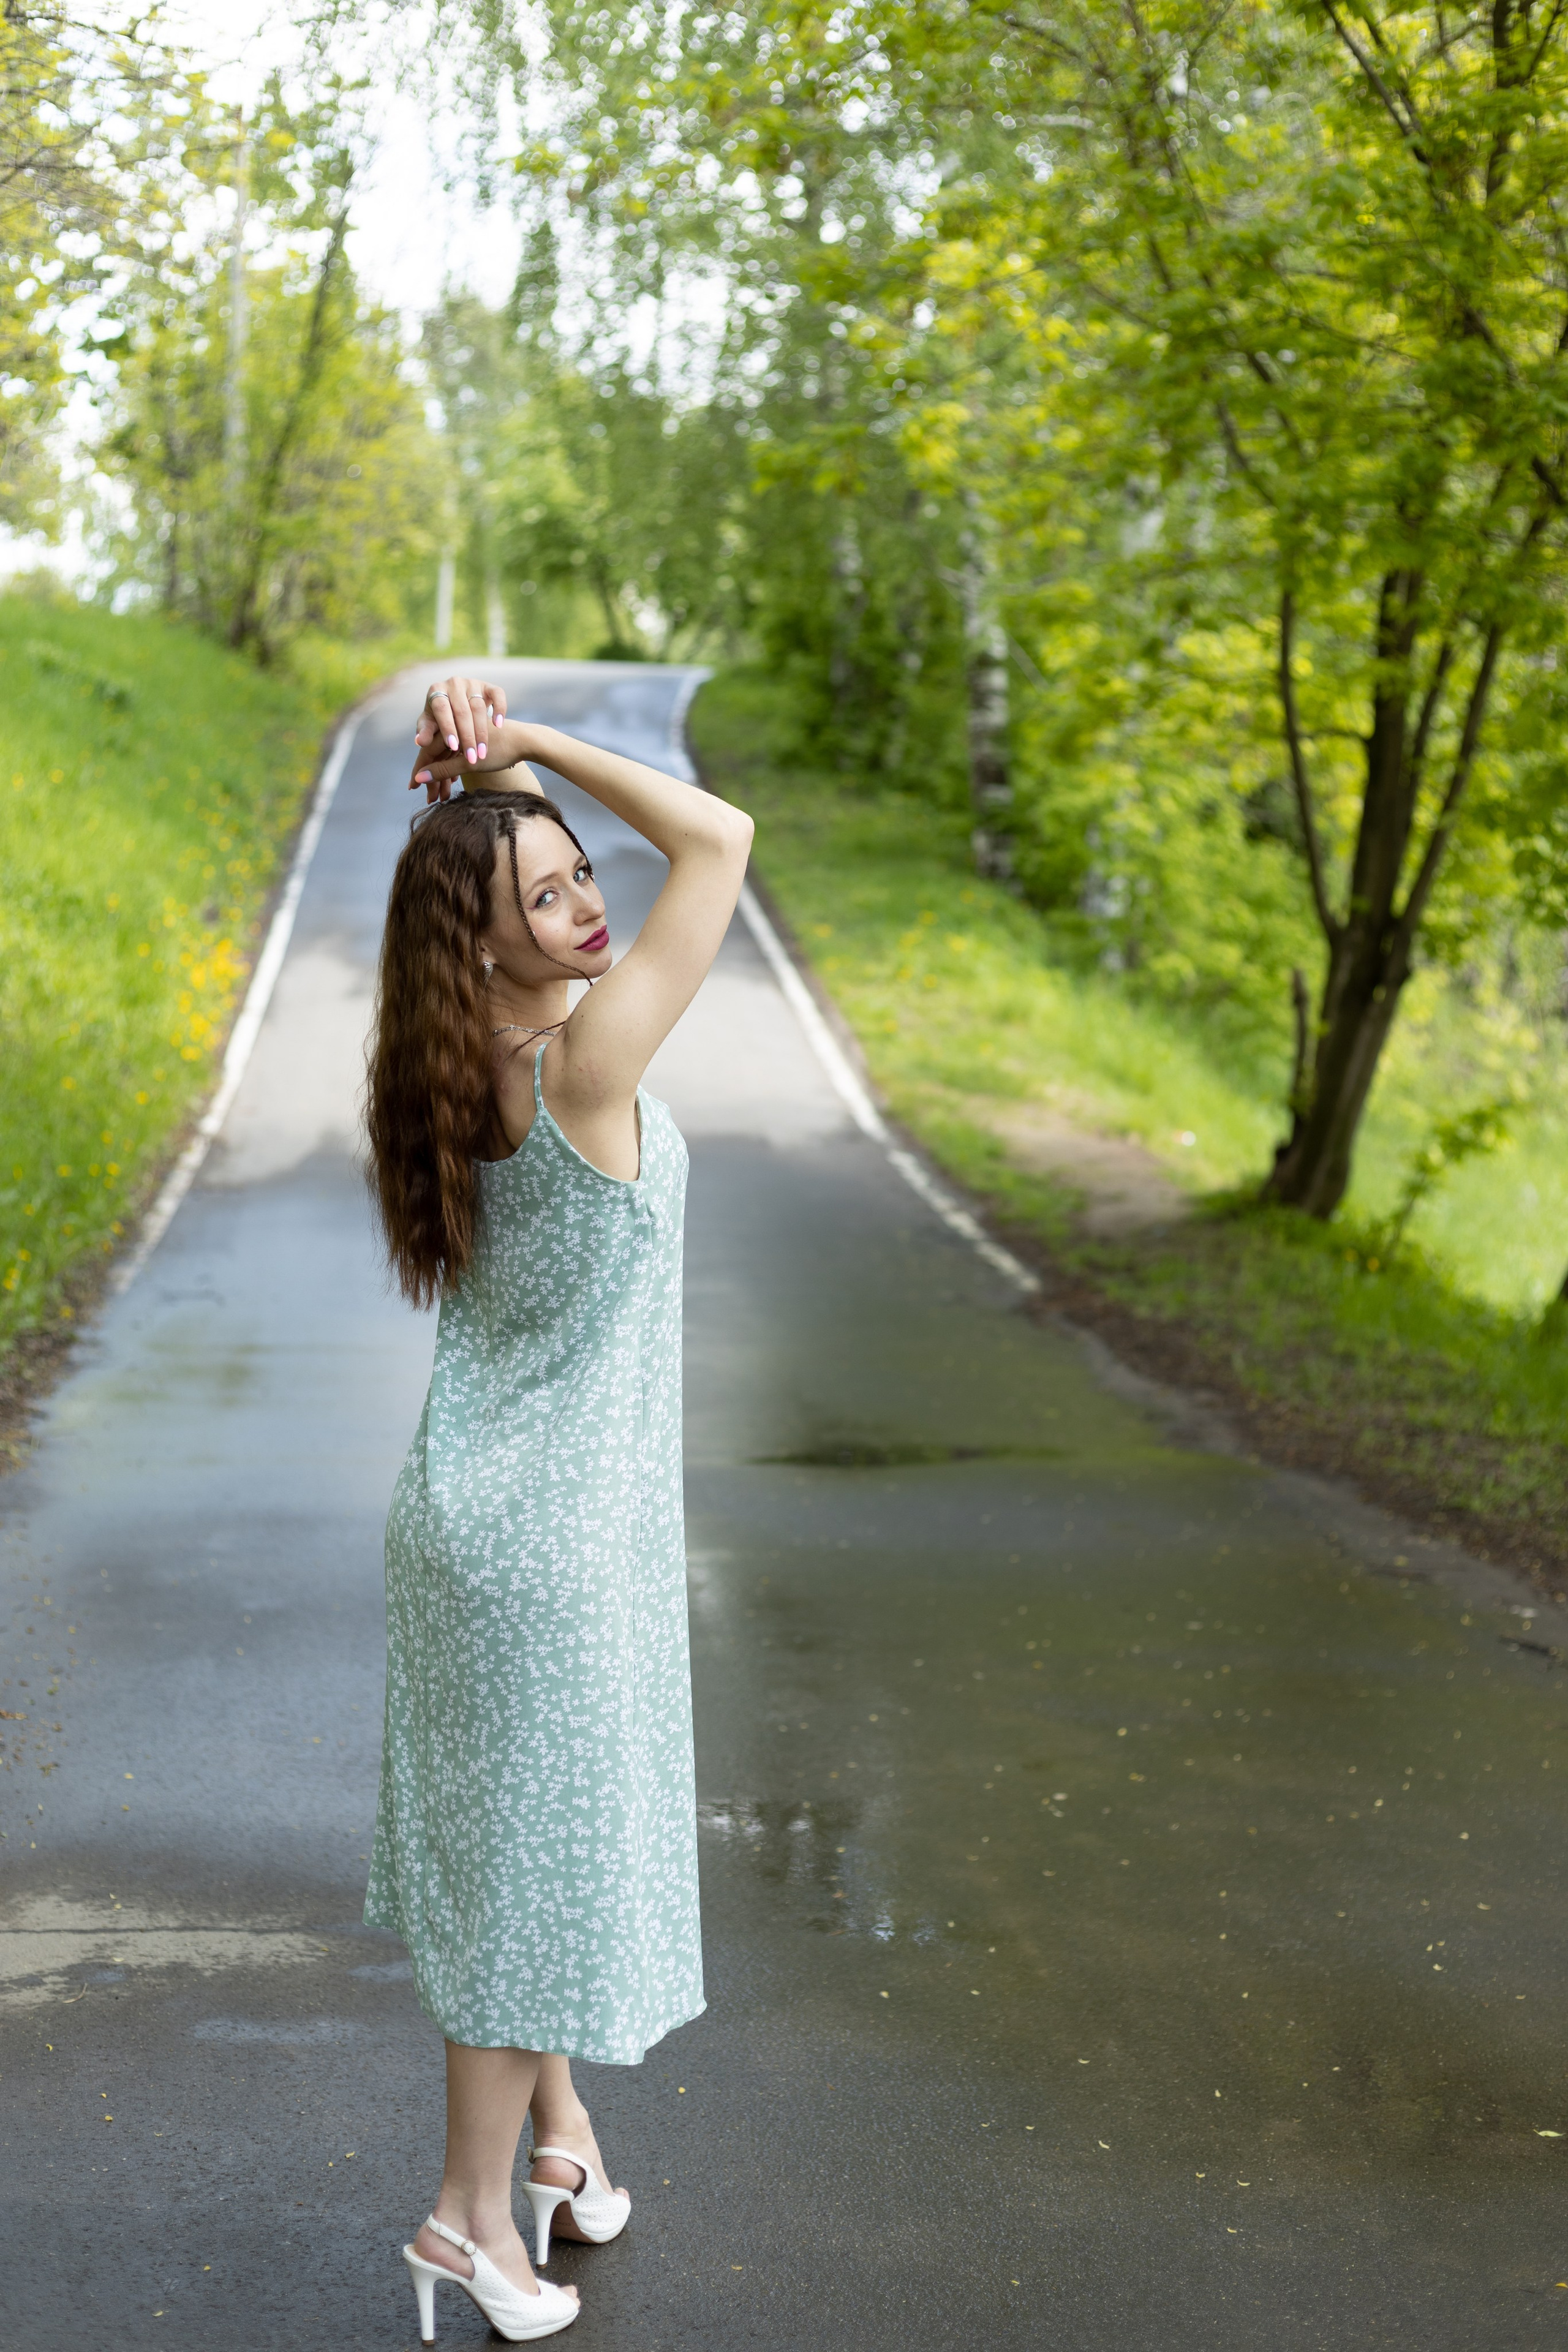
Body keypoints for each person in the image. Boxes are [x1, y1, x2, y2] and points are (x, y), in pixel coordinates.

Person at [361, 674, 753, 2343]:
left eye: (585, 870)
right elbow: (721, 839)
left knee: (530, 1852)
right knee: (529, 1886)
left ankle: (562, 2144)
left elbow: (662, 867)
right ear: (491, 951)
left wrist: (503, 795)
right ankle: (463, 2221)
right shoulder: (584, 1065)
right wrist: (532, 754)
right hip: (554, 1552)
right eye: (549, 896)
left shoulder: (454, 1063)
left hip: (479, 1522)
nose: (594, 902)